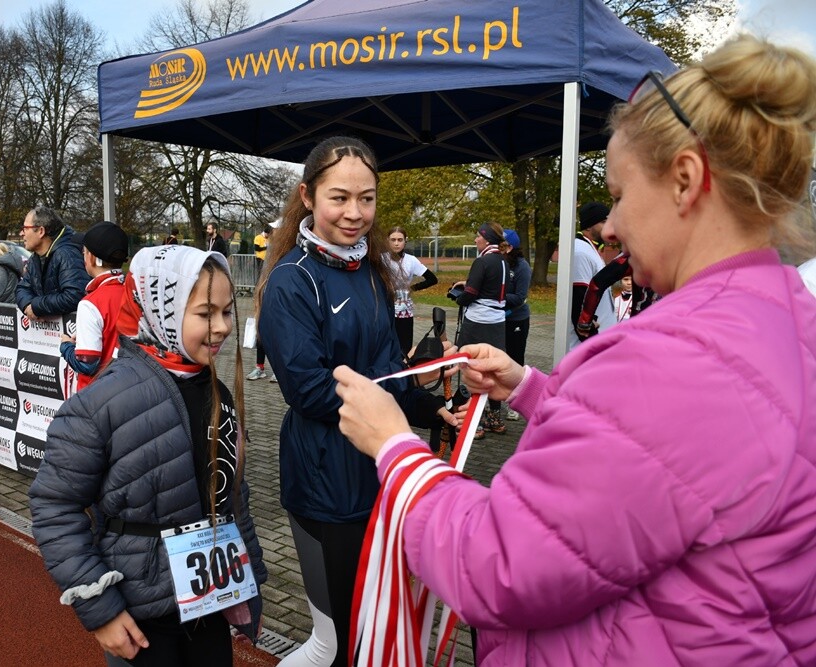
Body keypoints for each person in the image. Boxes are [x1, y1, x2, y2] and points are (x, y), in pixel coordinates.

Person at [332, 35, 816, 666]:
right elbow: (661, 464)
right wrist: (532, 390)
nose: (609, 225)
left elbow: (498, 565)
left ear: (686, 181)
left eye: (617, 193)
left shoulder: (671, 359)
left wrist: (397, 450)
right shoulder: (785, 322)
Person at [255, 136, 455, 667]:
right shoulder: (290, 282)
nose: (355, 213)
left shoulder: (371, 273)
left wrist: (429, 403)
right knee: (339, 642)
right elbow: (312, 391)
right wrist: (393, 409)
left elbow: (390, 369)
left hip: (381, 469)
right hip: (325, 481)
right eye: (339, 198)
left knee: (372, 629)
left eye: (366, 199)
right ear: (308, 197)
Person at [30, 245, 267, 666]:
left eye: (227, 312)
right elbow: (55, 505)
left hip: (208, 604)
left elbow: (234, 496)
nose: (221, 327)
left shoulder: (218, 393)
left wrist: (251, 584)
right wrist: (100, 606)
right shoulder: (104, 401)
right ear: (164, 309)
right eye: (205, 313)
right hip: (140, 614)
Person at [451, 222, 507, 435]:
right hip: (497, 322)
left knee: (469, 368)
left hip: (478, 322)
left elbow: (472, 293)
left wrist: (460, 298)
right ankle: (494, 418)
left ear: (487, 239)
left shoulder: (482, 261)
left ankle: (472, 422)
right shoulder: (503, 261)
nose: (475, 240)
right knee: (493, 369)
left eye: (477, 236)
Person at [59, 221, 128, 391]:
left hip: (95, 396)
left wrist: (66, 345)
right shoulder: (134, 292)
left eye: (84, 252)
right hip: (128, 390)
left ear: (91, 257)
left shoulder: (91, 303)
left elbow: (87, 365)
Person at [15, 205, 88, 318]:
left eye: (25, 228)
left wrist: (37, 307)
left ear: (40, 231)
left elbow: (74, 296)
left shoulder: (67, 254)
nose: (21, 233)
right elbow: (22, 288)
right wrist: (28, 306)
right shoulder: (35, 258)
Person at [568, 201, 618, 349]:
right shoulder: (580, 251)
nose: (608, 226)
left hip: (601, 338)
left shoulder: (590, 248)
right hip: (587, 346)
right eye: (603, 221)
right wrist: (591, 339)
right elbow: (578, 299)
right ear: (589, 225)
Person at [385, 226, 438, 356]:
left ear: (405, 241)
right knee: (386, 344)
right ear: (387, 241)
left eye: (400, 240)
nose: (396, 243)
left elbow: (432, 279)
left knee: (404, 347)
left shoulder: (411, 260)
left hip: (404, 309)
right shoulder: (381, 259)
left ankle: (404, 371)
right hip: (385, 307)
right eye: (393, 240)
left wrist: (412, 289)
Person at [501, 229, 531, 421]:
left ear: (510, 247)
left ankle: (516, 403)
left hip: (516, 320)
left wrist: (494, 295)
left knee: (515, 360)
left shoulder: (522, 267)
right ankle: (494, 404)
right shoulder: (497, 263)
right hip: (497, 320)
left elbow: (519, 297)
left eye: (501, 245)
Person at [247, 224, 276, 381]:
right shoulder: (270, 248)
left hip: (277, 297)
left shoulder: (285, 249)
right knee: (261, 333)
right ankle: (260, 368)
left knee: (276, 336)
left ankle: (278, 370)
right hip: (264, 292)